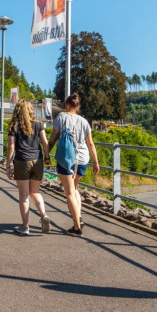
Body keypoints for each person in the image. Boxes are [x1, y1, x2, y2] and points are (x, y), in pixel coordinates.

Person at [47, 93, 100, 236]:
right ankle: (79, 216)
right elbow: (90, 143)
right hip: (83, 159)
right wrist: (96, 162)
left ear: (66, 105)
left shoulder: (61, 117)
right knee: (75, 188)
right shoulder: (84, 122)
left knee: (69, 192)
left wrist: (47, 155)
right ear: (78, 107)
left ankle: (77, 227)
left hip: (66, 158)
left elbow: (53, 138)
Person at [4, 99, 52, 236]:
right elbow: (44, 142)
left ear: (17, 110)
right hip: (37, 160)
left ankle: (25, 227)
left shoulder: (14, 125)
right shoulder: (39, 124)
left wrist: (8, 165)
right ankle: (43, 215)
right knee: (35, 192)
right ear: (31, 110)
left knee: (24, 194)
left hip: (22, 161)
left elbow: (11, 147)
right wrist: (47, 157)